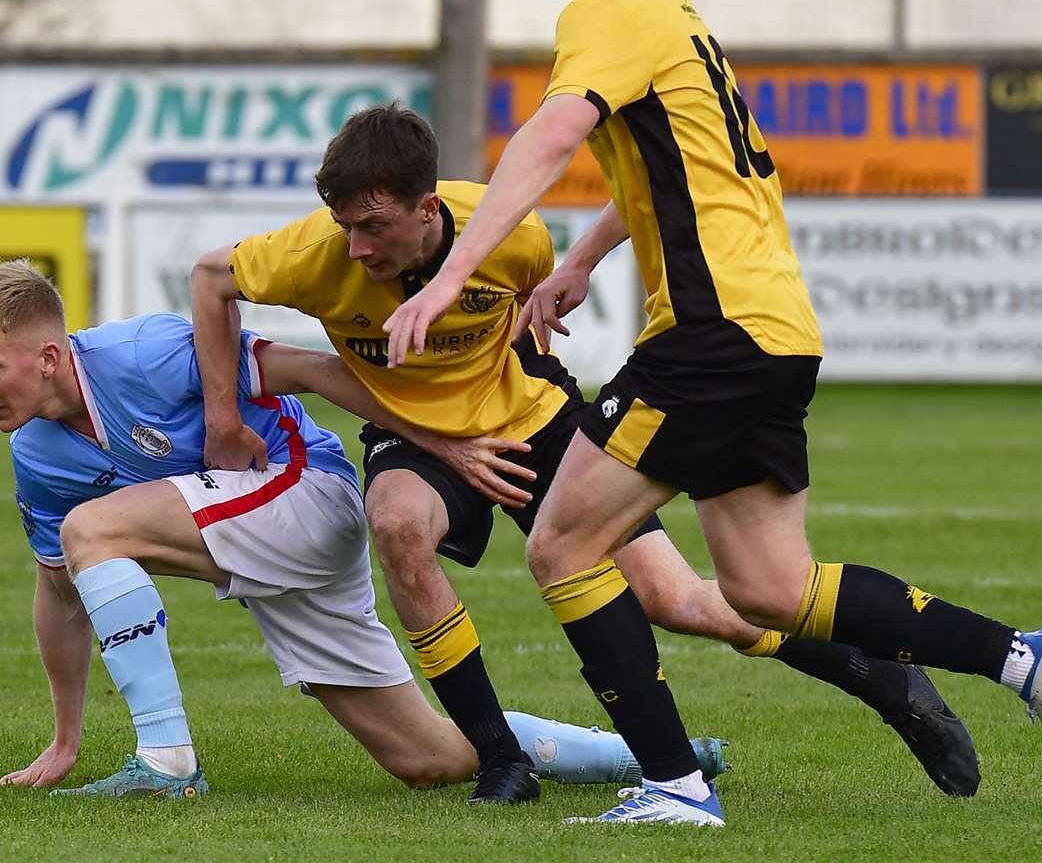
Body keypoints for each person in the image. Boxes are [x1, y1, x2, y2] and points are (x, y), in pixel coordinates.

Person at [379, 0, 1042, 824]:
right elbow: (684, 175)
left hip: (711, 337)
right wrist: (584, 258)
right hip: (774, 329)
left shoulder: (604, 9)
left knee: (559, 544)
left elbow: (548, 140)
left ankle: (675, 785)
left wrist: (452, 277)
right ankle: (1021, 658)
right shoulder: (672, 11)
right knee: (768, 588)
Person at [192, 104, 981, 812]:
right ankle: (501, 760)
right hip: (416, 436)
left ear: (429, 208)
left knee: (676, 600)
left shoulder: (512, 236)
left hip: (531, 417)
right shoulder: (310, 255)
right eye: (344, 225)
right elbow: (209, 278)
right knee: (396, 524)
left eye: (374, 225)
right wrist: (226, 418)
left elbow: (531, 295)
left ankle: (880, 678)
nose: (356, 245)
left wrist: (524, 345)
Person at [0, 260, 726, 799]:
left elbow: (315, 370)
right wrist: (64, 740)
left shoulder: (148, 352)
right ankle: (655, 756)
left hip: (308, 493)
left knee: (93, 529)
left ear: (44, 356)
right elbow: (57, 589)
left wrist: (442, 442)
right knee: (428, 758)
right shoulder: (37, 451)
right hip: (257, 542)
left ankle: (166, 759)